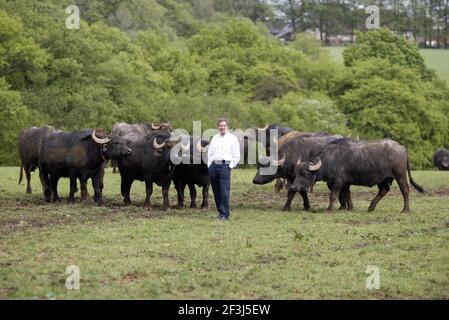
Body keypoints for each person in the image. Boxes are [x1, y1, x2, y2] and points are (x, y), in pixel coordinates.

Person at [207, 118, 240, 220]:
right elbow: (210, 153)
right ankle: (220, 212)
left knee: (224, 191)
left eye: (224, 125)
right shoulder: (214, 138)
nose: (222, 127)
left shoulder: (232, 138)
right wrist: (210, 165)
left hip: (225, 165)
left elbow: (236, 154)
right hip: (214, 166)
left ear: (227, 127)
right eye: (220, 126)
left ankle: (225, 214)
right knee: (216, 190)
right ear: (218, 127)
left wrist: (231, 165)